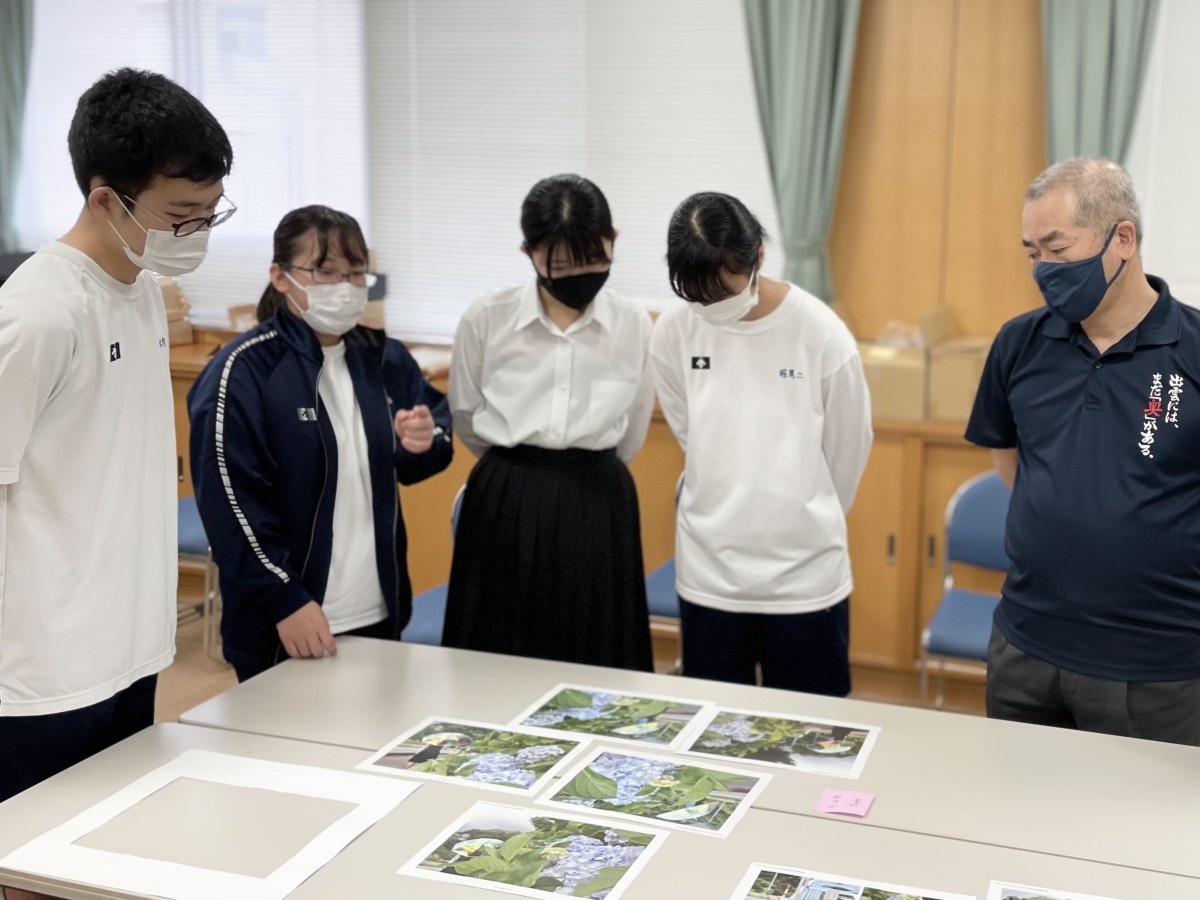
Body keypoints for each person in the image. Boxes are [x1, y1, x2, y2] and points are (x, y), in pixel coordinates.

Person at [0, 69, 232, 814]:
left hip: (132, 647)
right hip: (46, 671)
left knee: (110, 849)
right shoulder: (37, 314)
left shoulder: (139, 292)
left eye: (211, 213)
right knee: (32, 864)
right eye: (184, 214)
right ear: (107, 199)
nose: (197, 231)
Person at [966, 157, 1200, 745]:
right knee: (1014, 823)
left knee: (1138, 834)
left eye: (1057, 248)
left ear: (1122, 238)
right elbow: (1009, 459)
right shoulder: (1020, 342)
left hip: (1156, 668)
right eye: (1031, 253)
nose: (1042, 269)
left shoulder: (1192, 351)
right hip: (1025, 647)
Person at [188, 206, 452, 682]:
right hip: (289, 617)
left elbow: (432, 432)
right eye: (325, 272)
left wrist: (423, 439)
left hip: (377, 606)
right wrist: (285, 598)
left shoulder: (383, 357)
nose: (344, 287)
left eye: (355, 274)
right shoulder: (244, 370)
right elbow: (232, 504)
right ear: (281, 276)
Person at [650, 192, 872, 695]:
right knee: (714, 739)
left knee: (812, 737)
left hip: (804, 582)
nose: (711, 308)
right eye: (697, 295)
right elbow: (692, 433)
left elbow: (848, 447)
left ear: (758, 260)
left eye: (723, 292)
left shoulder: (820, 334)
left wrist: (803, 513)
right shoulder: (674, 331)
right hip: (710, 576)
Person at [445, 174, 655, 670]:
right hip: (506, 496)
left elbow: (634, 426)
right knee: (496, 655)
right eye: (561, 264)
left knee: (598, 657)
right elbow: (466, 412)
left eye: (594, 258)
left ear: (614, 241)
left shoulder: (633, 325)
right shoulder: (487, 318)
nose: (580, 274)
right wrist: (518, 469)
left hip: (598, 497)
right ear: (528, 252)